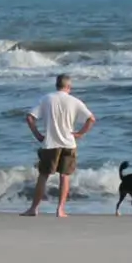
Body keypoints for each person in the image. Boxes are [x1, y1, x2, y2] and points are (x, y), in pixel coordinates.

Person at [22, 74, 96, 218]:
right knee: (65, 176)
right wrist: (80, 134)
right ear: (68, 86)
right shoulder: (74, 101)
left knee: (43, 176)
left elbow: (30, 117)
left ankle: (34, 208)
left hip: (50, 143)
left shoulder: (46, 99)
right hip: (68, 143)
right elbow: (91, 119)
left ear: (56, 85)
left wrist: (37, 135)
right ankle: (60, 209)